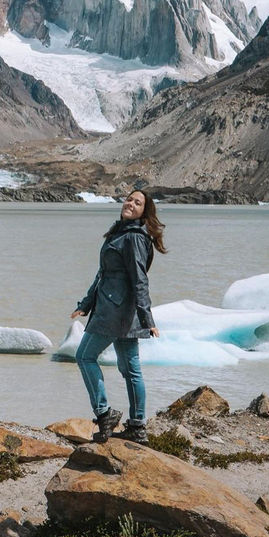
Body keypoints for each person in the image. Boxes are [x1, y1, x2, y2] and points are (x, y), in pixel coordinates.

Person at [71, 189, 167, 445]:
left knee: (84, 356)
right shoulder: (121, 233)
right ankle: (137, 426)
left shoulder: (134, 238)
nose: (131, 204)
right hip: (121, 310)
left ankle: (105, 414)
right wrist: (86, 303)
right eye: (129, 199)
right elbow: (104, 274)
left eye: (138, 203)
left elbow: (140, 280)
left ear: (143, 212)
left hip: (115, 312)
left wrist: (148, 318)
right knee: (130, 369)